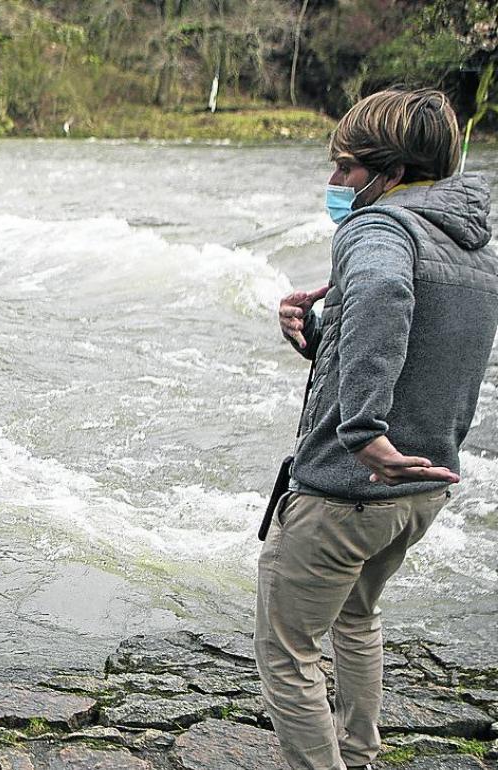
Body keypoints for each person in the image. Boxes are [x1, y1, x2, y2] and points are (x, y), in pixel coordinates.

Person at [261, 88, 498, 770]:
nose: (335, 183)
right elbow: (416, 345)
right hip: (419, 489)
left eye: (346, 167)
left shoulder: (377, 231)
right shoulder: (471, 245)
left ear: (389, 172)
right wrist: (317, 340)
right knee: (356, 617)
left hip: (348, 489)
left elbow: (383, 296)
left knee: (287, 652)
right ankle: (359, 757)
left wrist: (361, 430)